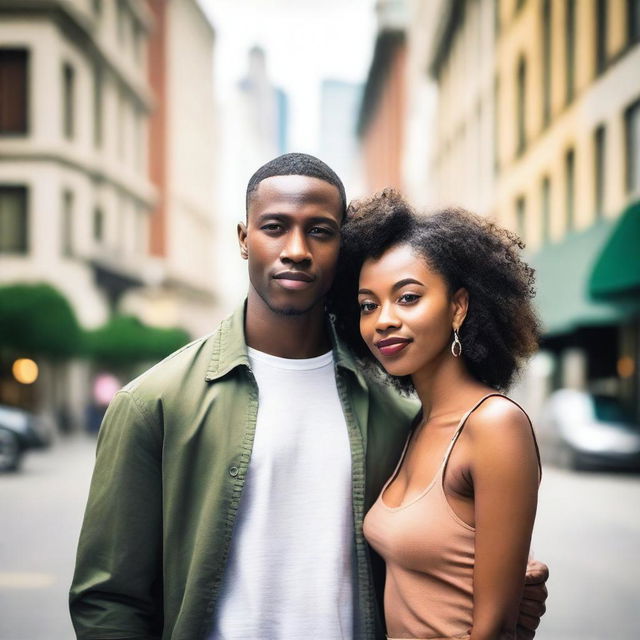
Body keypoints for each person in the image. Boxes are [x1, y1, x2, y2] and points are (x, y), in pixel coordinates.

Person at [69, 154, 548, 640]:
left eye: (320, 231)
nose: (296, 249)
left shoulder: (394, 411)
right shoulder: (154, 403)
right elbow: (109, 601)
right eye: (275, 227)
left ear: (342, 246)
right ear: (243, 238)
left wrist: (509, 601)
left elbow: (435, 572)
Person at [330, 189, 543, 640]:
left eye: (407, 298)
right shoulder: (416, 424)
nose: (382, 320)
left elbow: (495, 630)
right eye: (369, 305)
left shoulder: (494, 426)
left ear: (459, 307)